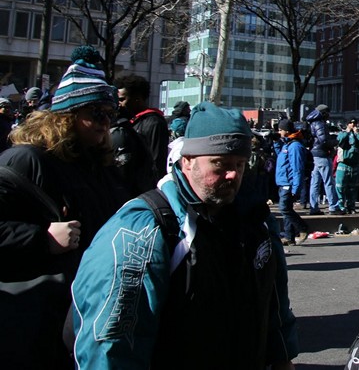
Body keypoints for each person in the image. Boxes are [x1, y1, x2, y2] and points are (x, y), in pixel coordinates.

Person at [71, 101, 298, 369]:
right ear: (187, 161)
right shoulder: (145, 228)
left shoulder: (256, 220)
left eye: (240, 164)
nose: (232, 174)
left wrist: (282, 356)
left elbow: (275, 301)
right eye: (220, 164)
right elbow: (112, 342)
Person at [0, 45, 128, 370]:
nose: (105, 123)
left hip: (87, 312)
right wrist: (41, 238)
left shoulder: (102, 166)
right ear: (68, 114)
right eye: (96, 113)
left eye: (110, 114)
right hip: (35, 321)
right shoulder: (26, 159)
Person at [116, 73, 170, 182]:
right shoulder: (126, 121)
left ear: (137, 98)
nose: (119, 104)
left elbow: (157, 161)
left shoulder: (154, 122)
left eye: (122, 99)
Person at [275, 119, 310, 246]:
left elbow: (297, 168)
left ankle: (302, 228)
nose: (279, 132)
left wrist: (296, 188)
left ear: (287, 131)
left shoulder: (295, 146)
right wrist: (276, 143)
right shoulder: (286, 144)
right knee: (287, 209)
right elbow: (280, 157)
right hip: (283, 181)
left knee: (284, 209)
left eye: (280, 130)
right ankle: (289, 236)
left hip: (288, 183)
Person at [305, 104, 336, 215]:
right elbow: (324, 140)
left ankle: (314, 207)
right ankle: (334, 206)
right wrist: (335, 142)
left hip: (316, 154)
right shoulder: (320, 124)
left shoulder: (313, 122)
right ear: (323, 113)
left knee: (315, 182)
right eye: (328, 113)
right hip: (322, 154)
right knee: (328, 182)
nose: (329, 115)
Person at [333, 118, 359, 214]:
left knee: (353, 188)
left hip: (355, 164)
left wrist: (357, 133)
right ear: (347, 124)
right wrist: (347, 132)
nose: (353, 125)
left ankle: (351, 207)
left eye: (354, 123)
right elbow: (339, 140)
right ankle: (341, 206)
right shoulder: (342, 133)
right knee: (340, 187)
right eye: (350, 123)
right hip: (343, 163)